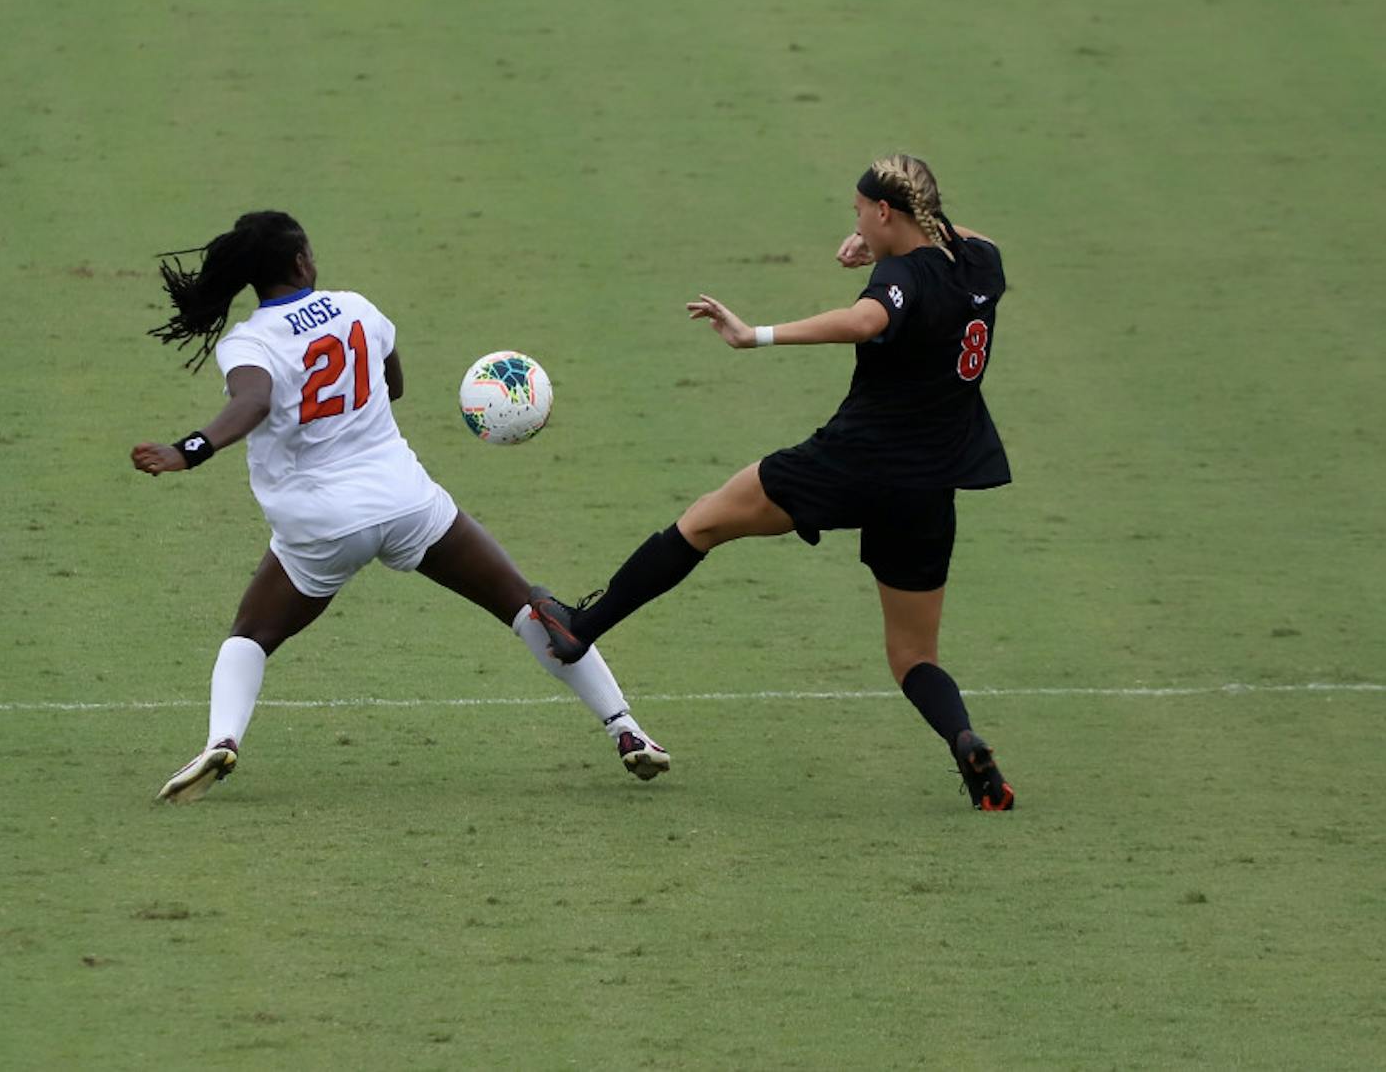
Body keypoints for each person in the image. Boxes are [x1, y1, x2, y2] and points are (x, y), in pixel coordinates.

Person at [530, 154, 1015, 810]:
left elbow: (867, 319)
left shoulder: (899, 278)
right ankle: (966, 746)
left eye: (858, 213)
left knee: (701, 524)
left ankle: (579, 628)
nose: (854, 225)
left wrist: (753, 333)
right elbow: (965, 239)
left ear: (884, 211)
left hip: (852, 463)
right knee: (912, 654)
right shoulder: (979, 264)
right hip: (930, 484)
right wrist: (880, 240)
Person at [131, 210, 667, 803]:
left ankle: (222, 741)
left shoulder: (249, 342)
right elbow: (394, 385)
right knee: (526, 605)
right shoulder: (359, 308)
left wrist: (191, 450)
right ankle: (626, 729)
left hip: (320, 524)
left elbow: (254, 401)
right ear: (303, 261)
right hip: (406, 503)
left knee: (252, 633)